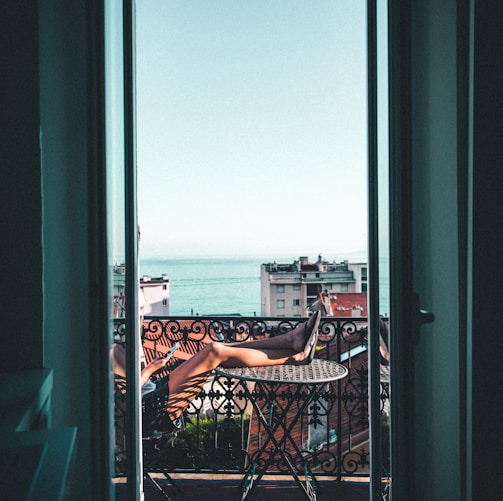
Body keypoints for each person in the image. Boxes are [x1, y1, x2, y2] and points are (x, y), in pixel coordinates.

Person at [113, 311, 321, 435]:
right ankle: (294, 355)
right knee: (215, 351)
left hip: (154, 391)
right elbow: (127, 395)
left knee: (221, 350)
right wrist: (150, 368)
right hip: (150, 410)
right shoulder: (103, 351)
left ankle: (291, 341)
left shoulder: (107, 346)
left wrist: (150, 370)